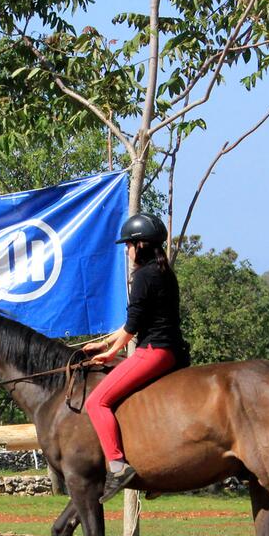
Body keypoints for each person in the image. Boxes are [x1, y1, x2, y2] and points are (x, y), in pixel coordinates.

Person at [82, 211, 189, 503]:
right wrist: (104, 344)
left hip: (154, 352)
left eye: (129, 245)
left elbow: (132, 329)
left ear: (140, 245)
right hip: (175, 351)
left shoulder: (143, 276)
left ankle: (117, 465)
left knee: (97, 402)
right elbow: (134, 323)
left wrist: (109, 354)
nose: (127, 250)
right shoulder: (164, 271)